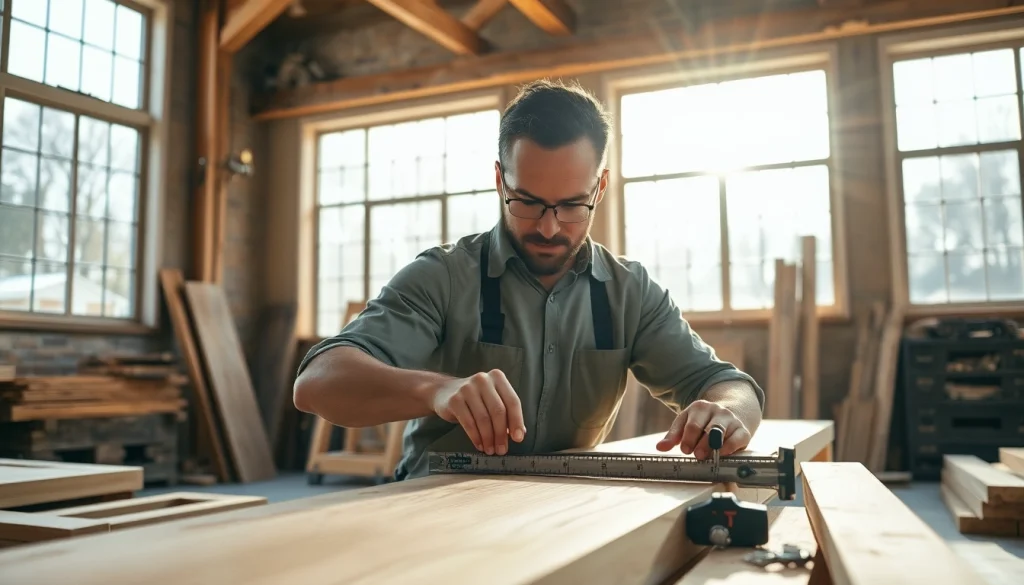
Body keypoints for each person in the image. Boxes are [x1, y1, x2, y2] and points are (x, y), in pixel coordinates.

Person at [292, 79, 765, 481]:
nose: (549, 227)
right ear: (500, 180)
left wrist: (727, 412)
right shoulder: (443, 277)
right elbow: (316, 383)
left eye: (573, 205)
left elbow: (728, 384)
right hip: (435, 509)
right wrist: (436, 391)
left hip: (560, 511)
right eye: (528, 201)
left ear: (600, 187)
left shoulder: (630, 292)